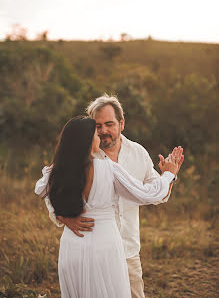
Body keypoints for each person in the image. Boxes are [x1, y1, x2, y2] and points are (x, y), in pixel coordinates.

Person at [41, 94, 184, 298]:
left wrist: (167, 178)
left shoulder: (138, 153)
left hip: (127, 250)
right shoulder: (79, 157)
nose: (103, 131)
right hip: (87, 249)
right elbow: (52, 190)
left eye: (109, 124)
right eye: (97, 126)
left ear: (121, 123)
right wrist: (61, 215)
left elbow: (155, 194)